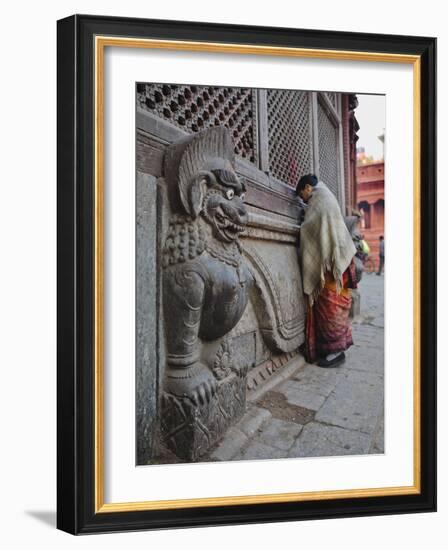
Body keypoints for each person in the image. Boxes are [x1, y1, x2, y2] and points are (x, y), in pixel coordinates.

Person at [297, 174, 357, 368]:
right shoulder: (326, 195)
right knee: (336, 308)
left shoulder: (319, 199)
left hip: (332, 267)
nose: (303, 200)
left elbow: (310, 228)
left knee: (331, 309)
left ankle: (335, 352)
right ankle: (336, 349)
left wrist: (303, 223)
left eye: (302, 195)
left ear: (307, 188)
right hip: (340, 261)